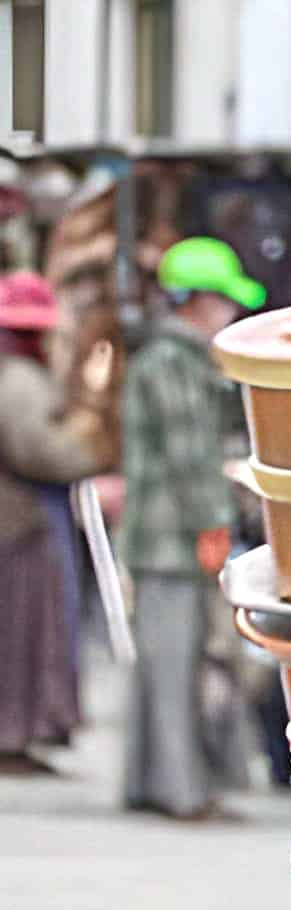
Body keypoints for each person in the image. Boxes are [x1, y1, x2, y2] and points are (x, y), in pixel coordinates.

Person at [119, 237, 263, 820]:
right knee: (178, 665)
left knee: (164, 664)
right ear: (196, 300)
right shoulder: (171, 362)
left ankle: (152, 784)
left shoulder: (175, 358)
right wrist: (212, 524)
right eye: (222, 300)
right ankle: (181, 791)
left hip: (165, 534)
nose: (230, 312)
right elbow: (187, 454)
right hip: (171, 537)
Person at [0, 271, 109, 773]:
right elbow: (41, 453)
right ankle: (15, 732)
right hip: (24, 522)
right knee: (26, 632)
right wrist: (90, 444)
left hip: (22, 521)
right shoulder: (18, 380)